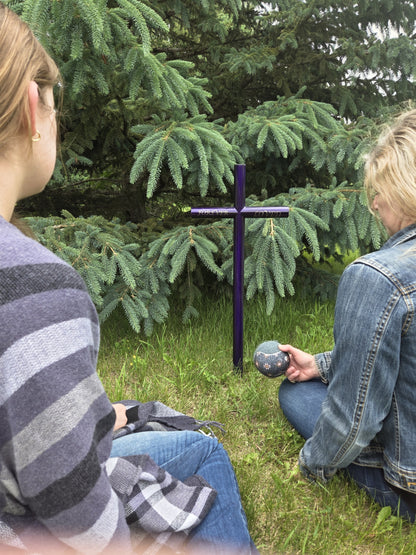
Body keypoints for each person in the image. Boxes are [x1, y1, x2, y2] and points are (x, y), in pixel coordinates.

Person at [0, 4, 257, 553]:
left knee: (124, 418)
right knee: (205, 451)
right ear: (30, 105)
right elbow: (84, 520)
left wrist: (91, 418)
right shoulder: (36, 289)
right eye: (56, 99)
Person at [278, 109, 416, 522]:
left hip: (408, 487)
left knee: (295, 395)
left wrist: (311, 464)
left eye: (379, 191)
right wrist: (319, 364)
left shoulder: (378, 275)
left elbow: (354, 418)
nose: (373, 204)